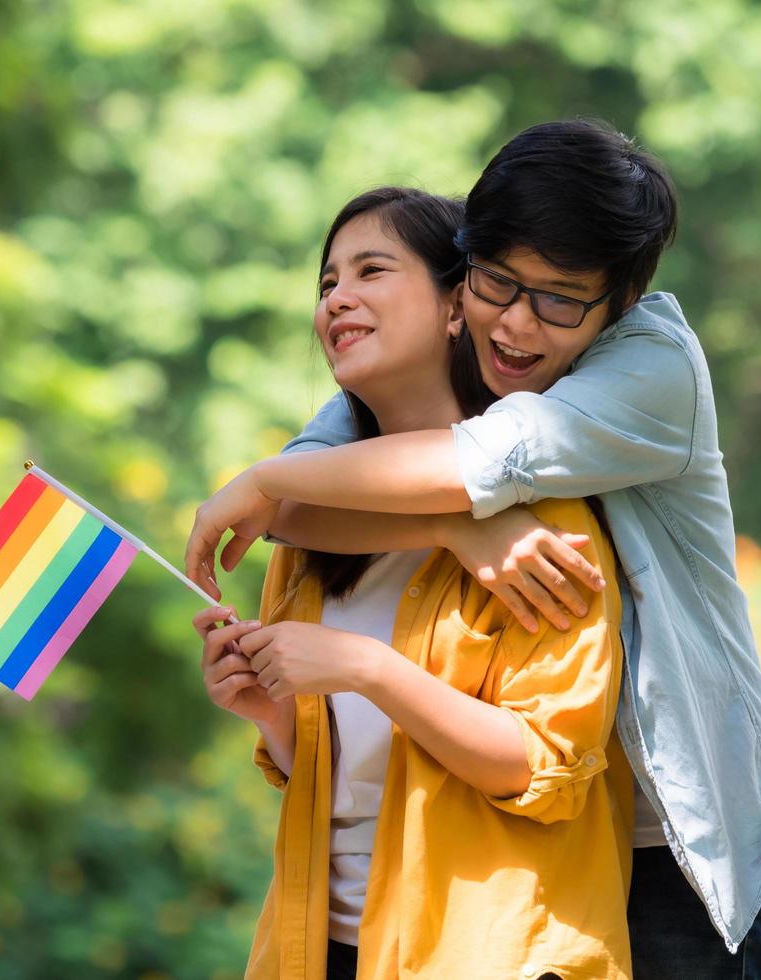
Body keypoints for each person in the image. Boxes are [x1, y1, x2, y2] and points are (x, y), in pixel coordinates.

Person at [187, 120, 761, 976]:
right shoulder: (395, 416)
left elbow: (448, 468)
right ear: (460, 278)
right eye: (496, 283)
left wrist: (264, 485)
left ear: (615, 305)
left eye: (558, 300)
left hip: (678, 832)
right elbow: (295, 497)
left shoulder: (648, 370)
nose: (515, 323)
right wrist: (444, 524)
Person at [194, 187, 634, 979]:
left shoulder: (540, 519)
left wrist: (364, 669)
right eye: (326, 283)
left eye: (370, 270)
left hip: (483, 953)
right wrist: (271, 716)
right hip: (321, 945)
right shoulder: (305, 525)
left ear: (455, 305)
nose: (338, 298)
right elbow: (347, 779)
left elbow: (541, 768)